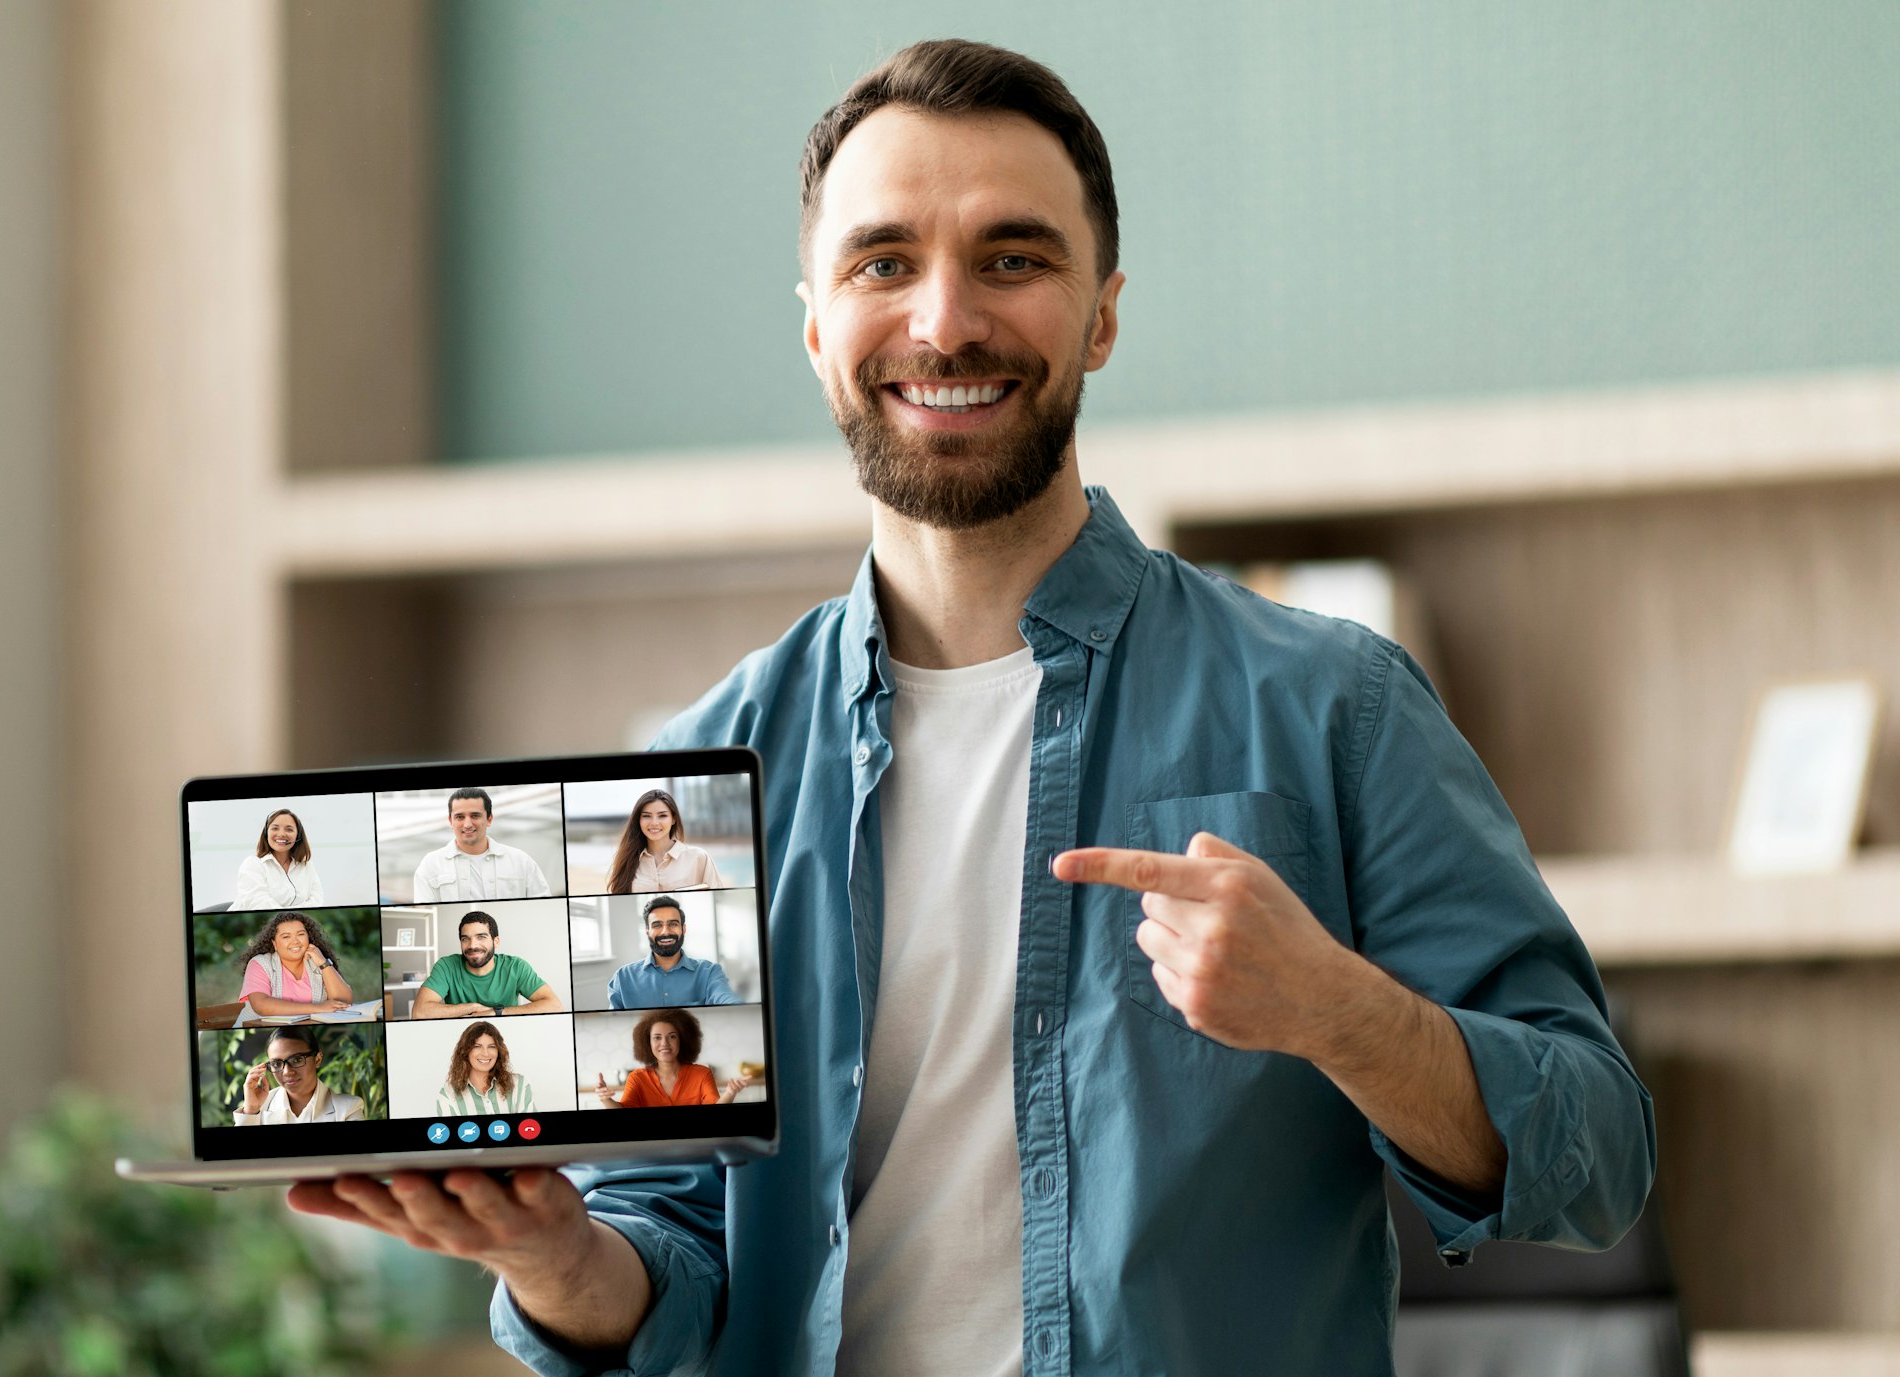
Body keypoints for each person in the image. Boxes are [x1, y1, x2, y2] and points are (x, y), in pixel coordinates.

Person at [291, 40, 1656, 1377]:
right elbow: (672, 1250)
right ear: (819, 324)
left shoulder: (1335, 703)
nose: (945, 321)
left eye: (1014, 259)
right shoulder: (694, 779)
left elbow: (1597, 1155)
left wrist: (1336, 1012)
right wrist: (557, 1259)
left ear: (1103, 314)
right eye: (885, 262)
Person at [413, 910, 566, 1020]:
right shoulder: (446, 966)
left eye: (481, 937)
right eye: (465, 939)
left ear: (496, 941)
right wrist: (472, 1008)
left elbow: (554, 1006)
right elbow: (419, 1012)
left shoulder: (516, 967)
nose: (472, 945)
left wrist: (497, 1012)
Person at [593, 1008, 752, 1109]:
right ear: (647, 1043)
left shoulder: (702, 1074)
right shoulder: (637, 1078)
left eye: (672, 1036)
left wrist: (730, 1093)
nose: (664, 1044)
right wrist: (605, 1099)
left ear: (682, 1040)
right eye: (657, 1037)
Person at [413, 788, 552, 902]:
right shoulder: (430, 864)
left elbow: (544, 904)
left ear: (489, 819)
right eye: (460, 817)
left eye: (475, 816)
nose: (467, 824)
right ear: (451, 821)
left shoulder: (521, 861)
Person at [605, 896, 740, 1009]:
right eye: (657, 925)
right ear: (647, 932)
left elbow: (726, 999)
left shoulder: (710, 972)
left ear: (683, 929)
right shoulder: (622, 977)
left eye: (673, 924)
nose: (666, 932)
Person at [604, 788, 727, 893]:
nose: (654, 823)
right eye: (646, 816)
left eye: (662, 815)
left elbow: (717, 895)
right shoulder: (627, 860)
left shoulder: (699, 857)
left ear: (673, 819)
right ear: (638, 820)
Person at [233, 1028, 364, 1125]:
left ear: (317, 1059)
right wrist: (251, 1111)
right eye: (277, 1063)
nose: (286, 1072)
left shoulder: (348, 1109)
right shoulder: (256, 1110)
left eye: (296, 1060)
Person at [235, 911, 353, 1017]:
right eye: (286, 936)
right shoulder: (260, 963)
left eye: (301, 934)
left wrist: (323, 963)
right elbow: (261, 1005)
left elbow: (344, 1001)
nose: (295, 941)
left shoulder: (317, 962)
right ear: (274, 944)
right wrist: (318, 1008)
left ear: (309, 937)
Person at [435, 1021, 537, 1117]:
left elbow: (530, 1129)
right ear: (465, 1052)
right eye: (477, 1046)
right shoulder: (448, 1095)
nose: (485, 1053)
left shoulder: (519, 1084)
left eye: (492, 1046)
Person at [231, 807, 324, 911]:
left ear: (298, 836)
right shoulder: (253, 864)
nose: (281, 834)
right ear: (266, 834)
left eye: (289, 829)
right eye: (275, 828)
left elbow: (317, 900)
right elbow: (259, 905)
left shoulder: (306, 865)